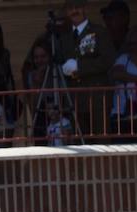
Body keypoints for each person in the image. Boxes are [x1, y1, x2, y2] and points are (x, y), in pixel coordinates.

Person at [56, 0, 116, 134]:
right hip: (75, 99)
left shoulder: (99, 32)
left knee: (101, 141)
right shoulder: (64, 38)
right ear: (66, 12)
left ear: (85, 8)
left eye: (78, 7)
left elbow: (108, 59)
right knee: (80, 143)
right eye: (71, 8)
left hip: (97, 97)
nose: (74, 11)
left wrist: (80, 66)